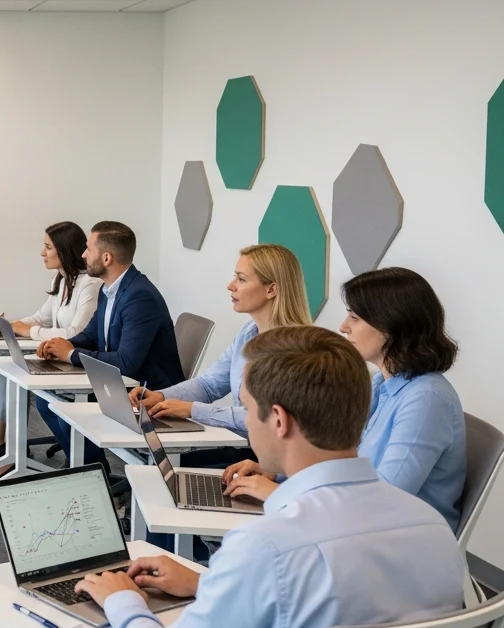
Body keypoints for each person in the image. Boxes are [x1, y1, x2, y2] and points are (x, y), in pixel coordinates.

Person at [67, 325, 465, 628]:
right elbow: (321, 605)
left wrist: (123, 601)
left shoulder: (267, 547)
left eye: (245, 407)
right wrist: (208, 584)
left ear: (278, 420)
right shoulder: (433, 528)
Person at [222, 266, 466, 531]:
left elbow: (382, 501)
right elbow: (340, 461)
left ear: (391, 325)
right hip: (351, 522)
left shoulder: (426, 400)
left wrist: (278, 493)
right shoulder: (382, 384)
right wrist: (276, 473)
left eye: (354, 317)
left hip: (393, 542)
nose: (343, 327)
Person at [129, 244, 312, 469]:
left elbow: (264, 418)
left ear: (271, 290)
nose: (230, 286)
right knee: (154, 461)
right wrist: (159, 396)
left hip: (268, 460)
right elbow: (210, 384)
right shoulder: (248, 331)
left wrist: (193, 410)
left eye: (242, 279)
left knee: (165, 468)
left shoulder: (294, 349)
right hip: (242, 446)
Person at [33, 221, 182, 468]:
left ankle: (94, 475)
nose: (83, 254)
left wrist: (70, 354)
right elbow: (91, 335)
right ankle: (86, 468)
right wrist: (59, 344)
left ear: (106, 257)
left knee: (63, 408)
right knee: (46, 401)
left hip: (142, 391)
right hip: (118, 382)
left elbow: (126, 363)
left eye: (88, 249)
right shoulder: (109, 289)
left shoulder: (139, 296)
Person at [0, 221, 100, 474]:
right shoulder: (63, 279)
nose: (42, 253)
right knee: (9, 364)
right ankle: (2, 441)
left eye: (47, 247)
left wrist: (26, 330)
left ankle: (2, 443)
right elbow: (41, 317)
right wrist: (9, 325)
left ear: (65, 250)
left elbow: (77, 333)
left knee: (16, 370)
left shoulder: (89, 284)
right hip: (57, 354)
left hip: (77, 359)